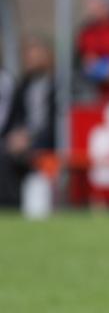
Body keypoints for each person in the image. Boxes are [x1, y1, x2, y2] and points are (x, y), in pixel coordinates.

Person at [0, 36, 56, 207]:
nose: (29, 60)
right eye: (27, 55)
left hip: (45, 142)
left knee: (5, 159)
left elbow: (55, 123)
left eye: (34, 55)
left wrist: (32, 139)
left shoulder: (57, 86)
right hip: (21, 140)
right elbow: (16, 118)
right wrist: (16, 135)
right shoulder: (24, 85)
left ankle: (10, 206)